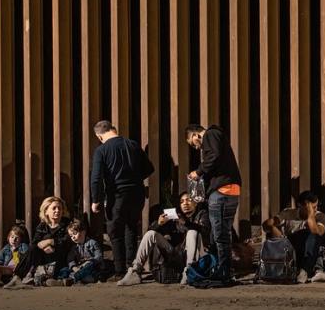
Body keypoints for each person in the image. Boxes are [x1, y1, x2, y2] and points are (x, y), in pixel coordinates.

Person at [90, 120, 155, 278]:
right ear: (113, 129)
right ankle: (132, 268)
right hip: (137, 194)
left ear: (99, 136)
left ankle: (120, 271)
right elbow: (149, 168)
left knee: (115, 232)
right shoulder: (133, 145)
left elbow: (96, 178)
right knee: (131, 229)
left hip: (117, 194)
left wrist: (96, 200)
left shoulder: (102, 150)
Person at [185, 123, 242, 282]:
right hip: (231, 190)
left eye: (192, 143)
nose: (196, 148)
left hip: (222, 190)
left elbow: (214, 156)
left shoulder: (210, 134)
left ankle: (224, 271)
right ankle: (224, 269)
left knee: (219, 234)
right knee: (224, 233)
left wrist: (198, 171)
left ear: (196, 135)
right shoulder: (218, 136)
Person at [118, 191, 211, 286]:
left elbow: (205, 232)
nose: (185, 203)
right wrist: (159, 224)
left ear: (195, 203)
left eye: (188, 200)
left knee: (192, 232)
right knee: (151, 234)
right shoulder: (176, 217)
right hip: (175, 251)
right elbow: (155, 234)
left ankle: (189, 272)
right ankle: (135, 271)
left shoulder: (202, 214)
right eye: (182, 201)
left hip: (193, 255)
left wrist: (186, 223)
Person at [2, 197, 73, 289]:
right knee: (32, 249)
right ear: (46, 211)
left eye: (60, 208)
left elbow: (68, 241)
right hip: (44, 256)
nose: (57, 210)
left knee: (44, 242)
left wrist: (51, 241)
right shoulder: (42, 226)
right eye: (54, 208)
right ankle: (17, 278)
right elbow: (35, 243)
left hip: (61, 256)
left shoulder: (67, 224)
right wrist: (43, 247)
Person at [264, 191, 325, 283]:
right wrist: (272, 225)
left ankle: (305, 271)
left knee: (312, 235)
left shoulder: (321, 216)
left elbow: (316, 232)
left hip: (311, 252)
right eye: (311, 207)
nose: (314, 210)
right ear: (300, 205)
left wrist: (310, 215)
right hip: (292, 250)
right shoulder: (289, 213)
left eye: (315, 207)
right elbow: (266, 225)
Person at [55, 218, 106, 286]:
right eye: (71, 236)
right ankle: (61, 280)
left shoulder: (92, 243)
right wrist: (74, 267)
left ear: (83, 232)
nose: (73, 237)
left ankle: (72, 279)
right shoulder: (74, 247)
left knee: (89, 265)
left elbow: (99, 257)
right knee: (65, 269)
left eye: (75, 234)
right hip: (79, 268)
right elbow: (70, 259)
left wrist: (89, 261)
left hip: (93, 269)